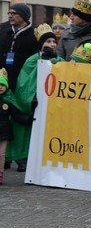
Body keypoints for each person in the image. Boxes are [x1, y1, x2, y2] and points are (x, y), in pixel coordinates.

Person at [5, 24, 60, 173]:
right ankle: (24, 158)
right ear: (41, 44)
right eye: (48, 42)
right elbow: (25, 83)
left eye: (53, 42)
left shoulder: (59, 59)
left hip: (52, 104)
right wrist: (30, 99)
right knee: (27, 131)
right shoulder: (32, 60)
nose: (52, 44)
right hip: (34, 102)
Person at [0, 2, 38, 93]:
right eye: (9, 13)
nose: (10, 16)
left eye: (13, 13)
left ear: (24, 15)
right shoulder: (4, 33)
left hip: (24, 81)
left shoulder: (34, 34)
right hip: (3, 80)